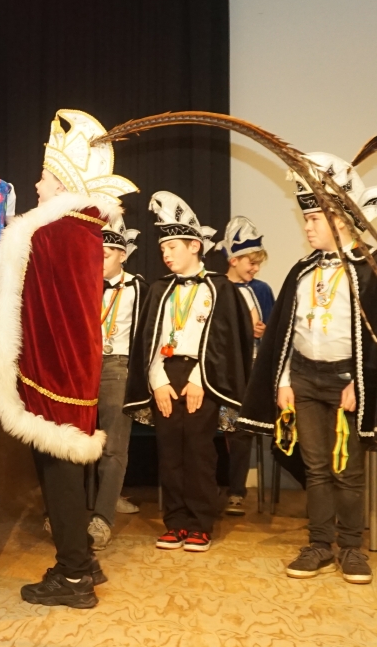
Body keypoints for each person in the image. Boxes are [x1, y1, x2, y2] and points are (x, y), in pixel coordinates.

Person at [238, 154, 377, 584]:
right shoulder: (303, 270)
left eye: (313, 219)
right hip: (305, 380)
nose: (306, 227)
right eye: (305, 219)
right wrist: (284, 379)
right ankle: (319, 545)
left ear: (341, 220)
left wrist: (361, 383)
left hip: (347, 383)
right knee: (316, 467)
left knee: (348, 470)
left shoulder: (373, 270)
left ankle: (352, 548)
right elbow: (287, 331)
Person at [0, 109, 135, 609]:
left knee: (59, 471)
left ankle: (73, 576)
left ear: (65, 184)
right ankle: (84, 561)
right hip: (72, 367)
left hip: (53, 370)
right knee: (66, 465)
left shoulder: (54, 230)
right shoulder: (83, 228)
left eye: (45, 176)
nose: (37, 184)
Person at [125, 192, 251, 554]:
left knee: (198, 452)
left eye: (173, 247)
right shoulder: (159, 289)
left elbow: (226, 342)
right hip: (166, 376)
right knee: (169, 453)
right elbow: (147, 339)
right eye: (163, 248)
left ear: (195, 246)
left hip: (203, 377)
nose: (166, 254)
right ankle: (175, 521)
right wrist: (157, 381)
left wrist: (200, 380)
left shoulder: (220, 288)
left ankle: (199, 523)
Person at [85, 226, 144, 548]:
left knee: (113, 446)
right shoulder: (82, 283)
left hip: (117, 366)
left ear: (122, 255)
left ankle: (102, 518)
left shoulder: (137, 287)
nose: (98, 260)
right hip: (81, 367)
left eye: (105, 255)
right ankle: (66, 512)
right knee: (75, 441)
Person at [216, 216, 272, 515]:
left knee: (240, 429)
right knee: (214, 429)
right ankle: (211, 485)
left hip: (249, 373)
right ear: (234, 260)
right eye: (252, 262)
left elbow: (276, 329)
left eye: (258, 263)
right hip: (218, 373)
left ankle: (236, 491)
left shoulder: (261, 290)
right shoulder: (215, 287)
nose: (256, 269)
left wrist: (265, 332)